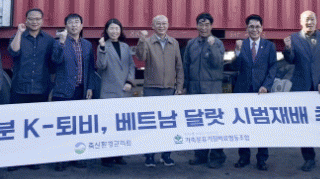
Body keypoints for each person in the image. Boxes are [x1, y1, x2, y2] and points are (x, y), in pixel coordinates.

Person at [283, 10, 320, 175]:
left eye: (312, 19)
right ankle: (309, 158)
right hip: (302, 87)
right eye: (306, 20)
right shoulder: (294, 38)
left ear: (316, 21)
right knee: (305, 125)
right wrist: (287, 48)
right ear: (300, 22)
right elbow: (291, 60)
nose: (310, 22)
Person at [7, 8, 53, 171]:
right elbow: (13, 52)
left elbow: (53, 62)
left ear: (42, 21)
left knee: (36, 126)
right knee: (17, 125)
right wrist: (19, 33)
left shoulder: (49, 40)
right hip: (20, 87)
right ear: (26, 20)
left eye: (38, 19)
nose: (34, 22)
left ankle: (32, 158)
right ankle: (15, 160)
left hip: (40, 88)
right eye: (31, 19)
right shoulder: (18, 36)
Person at [136, 14, 184, 167]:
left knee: (168, 125)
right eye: (158, 24)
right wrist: (141, 41)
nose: (161, 26)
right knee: (151, 125)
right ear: (153, 26)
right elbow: (141, 56)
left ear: (168, 25)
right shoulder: (148, 42)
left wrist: (179, 87)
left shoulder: (174, 43)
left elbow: (179, 66)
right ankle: (149, 156)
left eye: (164, 23)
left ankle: (166, 155)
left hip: (169, 89)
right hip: (151, 88)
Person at [52, 13, 98, 170]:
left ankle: (77, 156)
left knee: (78, 127)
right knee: (63, 127)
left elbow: (90, 68)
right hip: (63, 90)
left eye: (77, 22)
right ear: (65, 26)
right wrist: (61, 43)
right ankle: (61, 159)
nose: (74, 25)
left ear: (82, 26)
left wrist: (90, 87)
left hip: (81, 89)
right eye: (70, 23)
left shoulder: (87, 45)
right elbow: (55, 60)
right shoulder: (58, 42)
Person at [231, 14, 277, 171]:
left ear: (262, 28)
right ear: (246, 28)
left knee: (262, 126)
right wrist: (237, 52)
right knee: (243, 125)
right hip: (243, 91)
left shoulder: (269, 46)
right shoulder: (241, 45)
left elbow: (273, 68)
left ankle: (262, 159)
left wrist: (266, 86)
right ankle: (243, 157)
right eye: (251, 26)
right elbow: (235, 67)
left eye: (257, 26)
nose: (254, 29)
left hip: (261, 91)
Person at [183, 12, 226, 169]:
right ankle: (200, 156)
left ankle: (217, 156)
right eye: (201, 24)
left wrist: (212, 46)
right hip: (195, 89)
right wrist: (185, 86)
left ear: (211, 26)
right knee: (198, 124)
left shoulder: (217, 43)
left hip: (212, 89)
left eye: (207, 24)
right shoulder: (191, 44)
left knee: (214, 125)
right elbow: (186, 65)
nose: (204, 27)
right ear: (196, 26)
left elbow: (217, 63)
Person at [96, 18, 135, 167]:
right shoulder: (103, 45)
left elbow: (131, 66)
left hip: (124, 90)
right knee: (108, 125)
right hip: (109, 90)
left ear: (120, 30)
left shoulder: (125, 46)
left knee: (122, 125)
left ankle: (119, 155)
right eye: (111, 28)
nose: (114, 31)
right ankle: (106, 157)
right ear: (106, 31)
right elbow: (101, 65)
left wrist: (130, 81)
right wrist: (102, 48)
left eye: (117, 28)